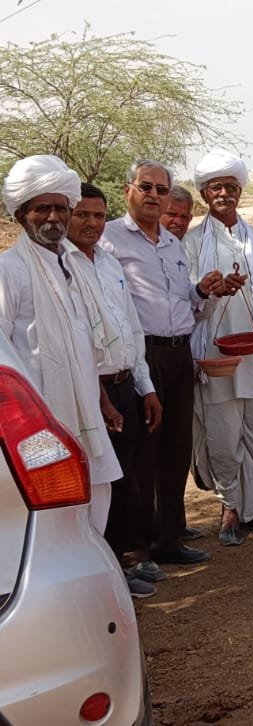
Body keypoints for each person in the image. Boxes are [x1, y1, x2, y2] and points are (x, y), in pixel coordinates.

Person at [101, 160, 221, 569]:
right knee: (143, 454)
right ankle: (139, 544)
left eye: (162, 189)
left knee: (176, 448)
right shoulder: (109, 240)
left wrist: (201, 291)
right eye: (146, 187)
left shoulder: (171, 243)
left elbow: (183, 300)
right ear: (128, 190)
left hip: (178, 352)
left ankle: (170, 538)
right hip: (142, 355)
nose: (154, 195)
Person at [0, 156, 122, 536]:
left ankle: (93, 569)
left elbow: (83, 342)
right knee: (54, 512)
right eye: (42, 208)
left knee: (97, 494)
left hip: (86, 407)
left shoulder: (74, 265)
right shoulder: (9, 270)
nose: (53, 216)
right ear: (21, 215)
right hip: (38, 416)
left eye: (60, 207)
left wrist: (102, 399)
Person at [185, 149, 253, 547]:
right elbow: (187, 303)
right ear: (204, 194)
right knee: (224, 437)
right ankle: (229, 506)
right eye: (216, 187)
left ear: (240, 191)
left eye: (231, 186)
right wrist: (211, 292)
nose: (224, 194)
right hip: (216, 356)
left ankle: (252, 508)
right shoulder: (192, 243)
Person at [67, 182, 165, 598]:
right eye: (82, 214)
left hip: (125, 385)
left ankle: (119, 566)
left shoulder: (107, 263)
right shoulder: (60, 267)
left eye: (98, 215)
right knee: (95, 485)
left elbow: (130, 328)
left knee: (122, 481)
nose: (91, 223)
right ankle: (99, 579)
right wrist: (100, 397)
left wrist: (146, 387)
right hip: (89, 393)